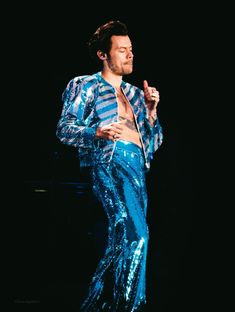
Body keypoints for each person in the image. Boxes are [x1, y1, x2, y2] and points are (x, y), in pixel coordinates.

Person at [56, 20, 163, 312]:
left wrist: (151, 114)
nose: (130, 55)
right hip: (110, 164)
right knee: (137, 236)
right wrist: (96, 132)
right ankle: (129, 306)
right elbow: (64, 129)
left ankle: (99, 306)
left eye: (131, 50)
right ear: (103, 54)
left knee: (124, 240)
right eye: (122, 50)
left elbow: (153, 144)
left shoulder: (137, 96)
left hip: (138, 171)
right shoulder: (86, 85)